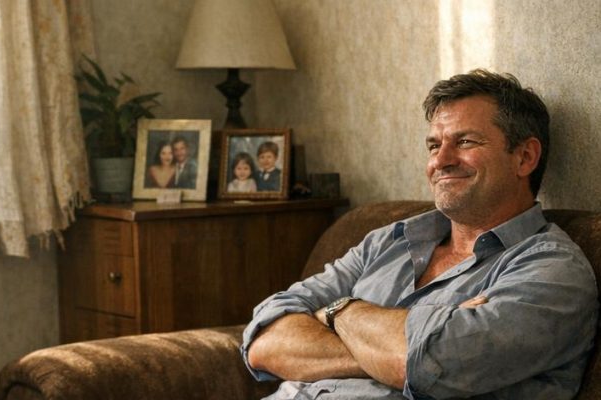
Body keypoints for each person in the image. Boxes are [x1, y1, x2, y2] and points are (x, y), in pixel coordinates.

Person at [242, 70, 598, 399]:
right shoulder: (389, 241)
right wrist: (388, 351)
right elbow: (263, 342)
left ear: (524, 157)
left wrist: (337, 312)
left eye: (465, 142)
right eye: (433, 145)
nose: (440, 161)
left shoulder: (553, 273)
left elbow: (427, 366)